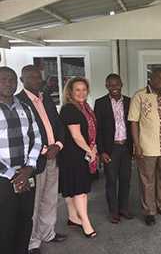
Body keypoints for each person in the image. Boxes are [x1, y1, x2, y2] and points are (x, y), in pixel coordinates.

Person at [16, 65, 66, 254]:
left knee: (51, 199)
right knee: (34, 203)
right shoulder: (19, 102)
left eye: (38, 77)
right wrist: (45, 149)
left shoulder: (46, 99)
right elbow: (24, 135)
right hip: (35, 161)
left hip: (54, 157)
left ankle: (47, 234)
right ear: (23, 80)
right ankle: (32, 242)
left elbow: (58, 125)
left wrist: (58, 145)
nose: (36, 80)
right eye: (31, 77)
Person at [0, 67, 42, 254]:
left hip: (26, 174)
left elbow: (37, 138)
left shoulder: (25, 108)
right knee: (5, 224)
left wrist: (28, 168)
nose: (8, 83)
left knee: (25, 220)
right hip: (3, 179)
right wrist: (13, 174)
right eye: (2, 80)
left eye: (11, 79)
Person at [128, 68, 161, 226]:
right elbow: (134, 122)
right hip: (147, 146)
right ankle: (149, 211)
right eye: (157, 77)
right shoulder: (139, 96)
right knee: (147, 180)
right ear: (150, 77)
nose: (160, 81)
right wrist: (137, 145)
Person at [58, 77, 97, 237]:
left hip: (78, 153)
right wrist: (91, 151)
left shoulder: (84, 107)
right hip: (73, 155)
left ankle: (73, 217)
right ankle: (86, 223)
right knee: (80, 190)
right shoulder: (69, 109)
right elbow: (76, 136)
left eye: (84, 89)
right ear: (70, 92)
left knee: (72, 188)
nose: (81, 93)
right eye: (77, 90)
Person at [94, 74, 133, 224]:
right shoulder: (100, 103)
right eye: (111, 84)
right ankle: (113, 211)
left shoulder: (129, 102)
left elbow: (133, 125)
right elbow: (98, 130)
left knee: (126, 179)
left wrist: (134, 146)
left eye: (117, 84)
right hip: (111, 149)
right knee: (111, 180)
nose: (114, 87)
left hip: (126, 147)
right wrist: (101, 151)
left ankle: (123, 208)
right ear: (106, 86)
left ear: (121, 84)